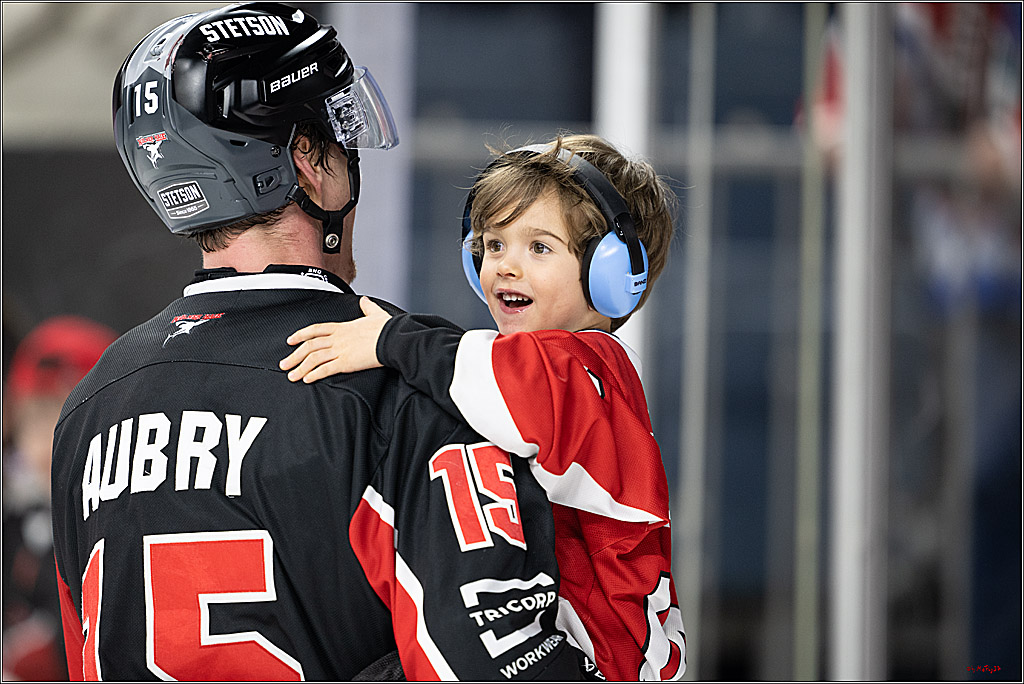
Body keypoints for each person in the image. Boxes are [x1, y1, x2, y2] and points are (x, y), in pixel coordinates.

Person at [50, 4, 579, 680]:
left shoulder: (91, 404)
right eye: (337, 136)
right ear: (305, 162)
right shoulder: (410, 372)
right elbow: (488, 666)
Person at [279, 134, 687, 680]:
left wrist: (389, 341)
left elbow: (499, 380)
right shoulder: (583, 370)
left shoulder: (583, 368)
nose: (504, 267)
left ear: (612, 274)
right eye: (493, 245)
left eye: (539, 248)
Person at [3, 316, 118, 681]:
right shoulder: (16, 517)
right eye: (32, 420)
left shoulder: (113, 517)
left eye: (58, 418)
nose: (41, 444)